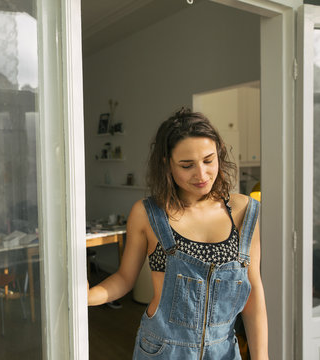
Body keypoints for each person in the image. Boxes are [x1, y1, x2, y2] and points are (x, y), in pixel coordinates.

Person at [87, 108, 268, 359]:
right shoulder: (147, 213)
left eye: (208, 160)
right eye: (187, 165)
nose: (202, 174)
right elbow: (125, 279)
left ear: (219, 155)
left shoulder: (244, 211)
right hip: (163, 351)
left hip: (224, 351)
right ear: (167, 164)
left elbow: (253, 290)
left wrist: (262, 357)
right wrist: (87, 296)